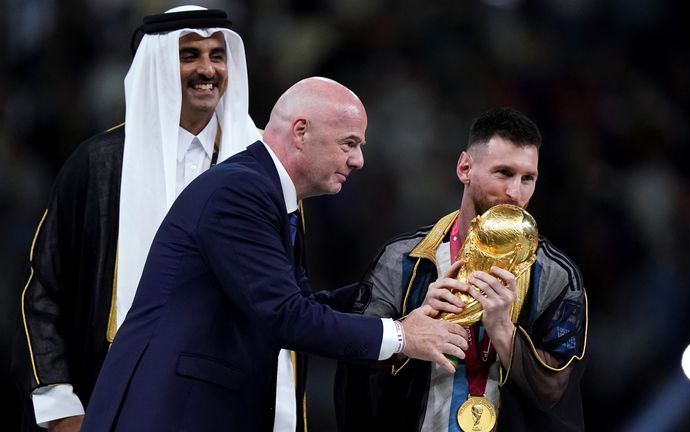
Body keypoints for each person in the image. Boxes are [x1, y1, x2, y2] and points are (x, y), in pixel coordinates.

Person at [80, 76, 469, 431]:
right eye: (349, 143)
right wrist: (401, 335)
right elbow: (286, 316)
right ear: (301, 132)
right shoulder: (240, 193)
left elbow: (297, 305)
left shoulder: (266, 195)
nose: (358, 160)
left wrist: (403, 293)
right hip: (167, 412)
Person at [11, 5, 261, 431]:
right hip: (111, 396)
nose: (207, 69)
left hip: (224, 400)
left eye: (217, 55)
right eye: (190, 55)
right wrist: (59, 406)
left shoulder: (258, 169)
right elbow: (44, 291)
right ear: (159, 65)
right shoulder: (98, 165)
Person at [335, 107, 588, 431]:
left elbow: (558, 390)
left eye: (528, 178)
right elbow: (355, 362)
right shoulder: (402, 260)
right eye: (503, 173)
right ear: (465, 168)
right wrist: (407, 334)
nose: (516, 193)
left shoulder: (557, 277)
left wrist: (503, 332)